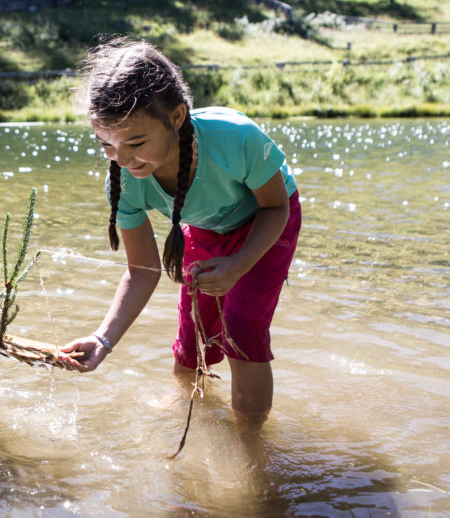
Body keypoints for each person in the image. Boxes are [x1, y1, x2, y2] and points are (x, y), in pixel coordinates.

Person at [61, 40, 301, 421]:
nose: (121, 159)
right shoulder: (124, 181)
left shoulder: (235, 137)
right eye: (106, 144)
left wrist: (238, 264)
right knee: (193, 333)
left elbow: (276, 207)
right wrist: (103, 340)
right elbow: (142, 269)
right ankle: (191, 407)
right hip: (206, 228)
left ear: (176, 117)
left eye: (135, 143)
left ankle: (250, 443)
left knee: (241, 326)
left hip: (268, 220)